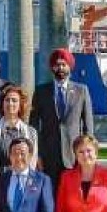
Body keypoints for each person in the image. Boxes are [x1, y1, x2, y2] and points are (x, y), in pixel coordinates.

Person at [33, 48, 95, 185]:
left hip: (74, 156)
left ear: (70, 67)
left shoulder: (81, 91)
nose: (60, 68)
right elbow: (34, 126)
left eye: (63, 64)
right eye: (57, 65)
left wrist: (87, 153)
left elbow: (88, 125)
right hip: (49, 157)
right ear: (52, 68)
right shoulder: (41, 91)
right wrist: (37, 154)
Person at [0, 84, 38, 173]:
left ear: (20, 105)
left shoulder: (31, 132)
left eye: (14, 100)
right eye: (7, 100)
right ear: (2, 104)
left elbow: (32, 160)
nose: (10, 103)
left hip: (23, 181)